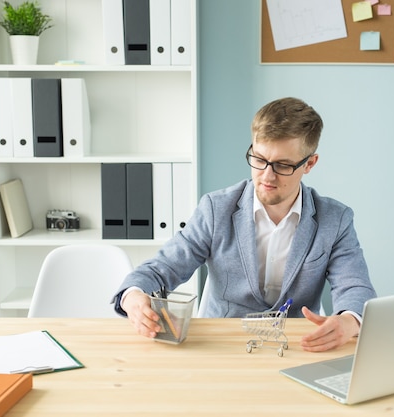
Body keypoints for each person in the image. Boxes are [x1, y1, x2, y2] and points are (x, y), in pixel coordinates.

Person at [112, 97, 376, 352]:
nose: (267, 176)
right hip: (222, 346)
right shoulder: (216, 210)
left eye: (283, 165)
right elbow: (163, 267)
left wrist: (350, 320)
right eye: (259, 160)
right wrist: (134, 296)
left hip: (296, 346)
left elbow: (355, 286)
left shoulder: (335, 219)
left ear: (309, 164)